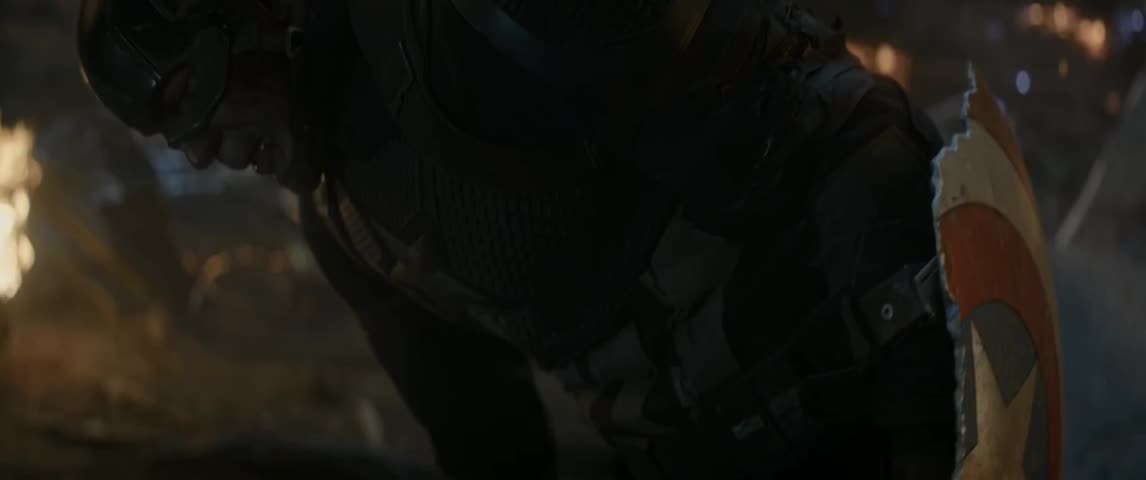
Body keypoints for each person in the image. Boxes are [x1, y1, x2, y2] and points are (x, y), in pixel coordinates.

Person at [76, 0, 956, 478]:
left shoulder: (460, 27)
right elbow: (489, 446)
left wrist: (919, 377)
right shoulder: (349, 230)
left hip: (881, 371)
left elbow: (812, 125)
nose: (202, 146)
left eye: (191, 94)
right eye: (170, 132)